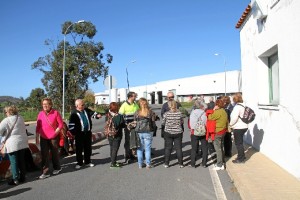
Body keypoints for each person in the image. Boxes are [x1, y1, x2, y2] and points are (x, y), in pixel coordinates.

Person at [68, 99, 102, 169]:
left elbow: (93, 113)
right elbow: (71, 125)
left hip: (87, 133)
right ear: (77, 106)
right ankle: (79, 163)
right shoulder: (74, 114)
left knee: (88, 148)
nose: (84, 106)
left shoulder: (86, 110)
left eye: (84, 104)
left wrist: (97, 115)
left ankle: (88, 161)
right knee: (79, 149)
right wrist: (74, 133)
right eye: (82, 105)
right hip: (79, 134)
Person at [36, 98, 64, 179]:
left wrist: (56, 132)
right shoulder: (40, 114)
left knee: (54, 153)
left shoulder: (55, 113)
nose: (44, 105)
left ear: (50, 105)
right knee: (44, 154)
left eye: (46, 104)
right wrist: (37, 138)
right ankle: (45, 172)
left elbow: (61, 124)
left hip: (53, 137)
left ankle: (57, 168)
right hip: (43, 137)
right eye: (43, 104)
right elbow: (38, 127)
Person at [0, 105, 28, 185]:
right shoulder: (20, 118)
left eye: (6, 112)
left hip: (12, 144)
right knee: (21, 160)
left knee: (14, 161)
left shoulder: (6, 120)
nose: (5, 113)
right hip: (22, 142)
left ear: (9, 112)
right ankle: (23, 176)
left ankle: (15, 179)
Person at [134, 98, 156, 169]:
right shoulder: (150, 112)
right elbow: (153, 121)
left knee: (139, 149)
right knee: (147, 149)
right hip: (148, 131)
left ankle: (140, 164)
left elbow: (135, 121)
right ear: (146, 103)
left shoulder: (137, 112)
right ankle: (148, 164)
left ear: (139, 104)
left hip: (139, 131)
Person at [162, 100, 185, 168]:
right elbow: (182, 122)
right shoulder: (179, 113)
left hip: (168, 132)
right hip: (178, 132)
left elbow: (163, 123)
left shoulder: (166, 114)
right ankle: (181, 163)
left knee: (168, 148)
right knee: (178, 148)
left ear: (169, 106)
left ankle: (166, 163)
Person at [119, 92, 139, 164]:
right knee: (127, 141)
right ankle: (127, 156)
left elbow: (138, 113)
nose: (135, 98)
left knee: (133, 141)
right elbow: (120, 116)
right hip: (127, 126)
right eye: (134, 96)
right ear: (130, 97)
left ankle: (132, 155)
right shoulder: (124, 105)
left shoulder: (135, 104)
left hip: (135, 125)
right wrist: (125, 124)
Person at [208, 99, 228, 170]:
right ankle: (222, 162)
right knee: (221, 147)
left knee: (218, 149)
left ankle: (219, 165)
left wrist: (213, 109)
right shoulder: (224, 111)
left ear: (217, 105)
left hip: (218, 131)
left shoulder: (217, 112)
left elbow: (210, 117)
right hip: (223, 131)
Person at [229, 93, 248, 164]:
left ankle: (240, 158)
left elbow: (234, 118)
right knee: (240, 142)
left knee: (238, 143)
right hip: (244, 126)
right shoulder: (243, 106)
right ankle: (242, 155)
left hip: (238, 127)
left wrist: (230, 124)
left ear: (235, 100)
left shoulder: (237, 107)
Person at [189, 101, 208, 168]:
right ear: (201, 106)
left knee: (194, 148)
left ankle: (193, 163)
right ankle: (204, 163)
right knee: (204, 148)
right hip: (203, 132)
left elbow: (191, 124)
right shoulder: (204, 113)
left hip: (194, 132)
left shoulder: (193, 113)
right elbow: (206, 123)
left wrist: (192, 129)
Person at [106, 102, 125, 168]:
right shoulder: (119, 116)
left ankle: (113, 161)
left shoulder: (108, 115)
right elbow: (122, 125)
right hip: (117, 134)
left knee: (112, 148)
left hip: (109, 134)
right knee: (115, 149)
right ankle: (113, 163)